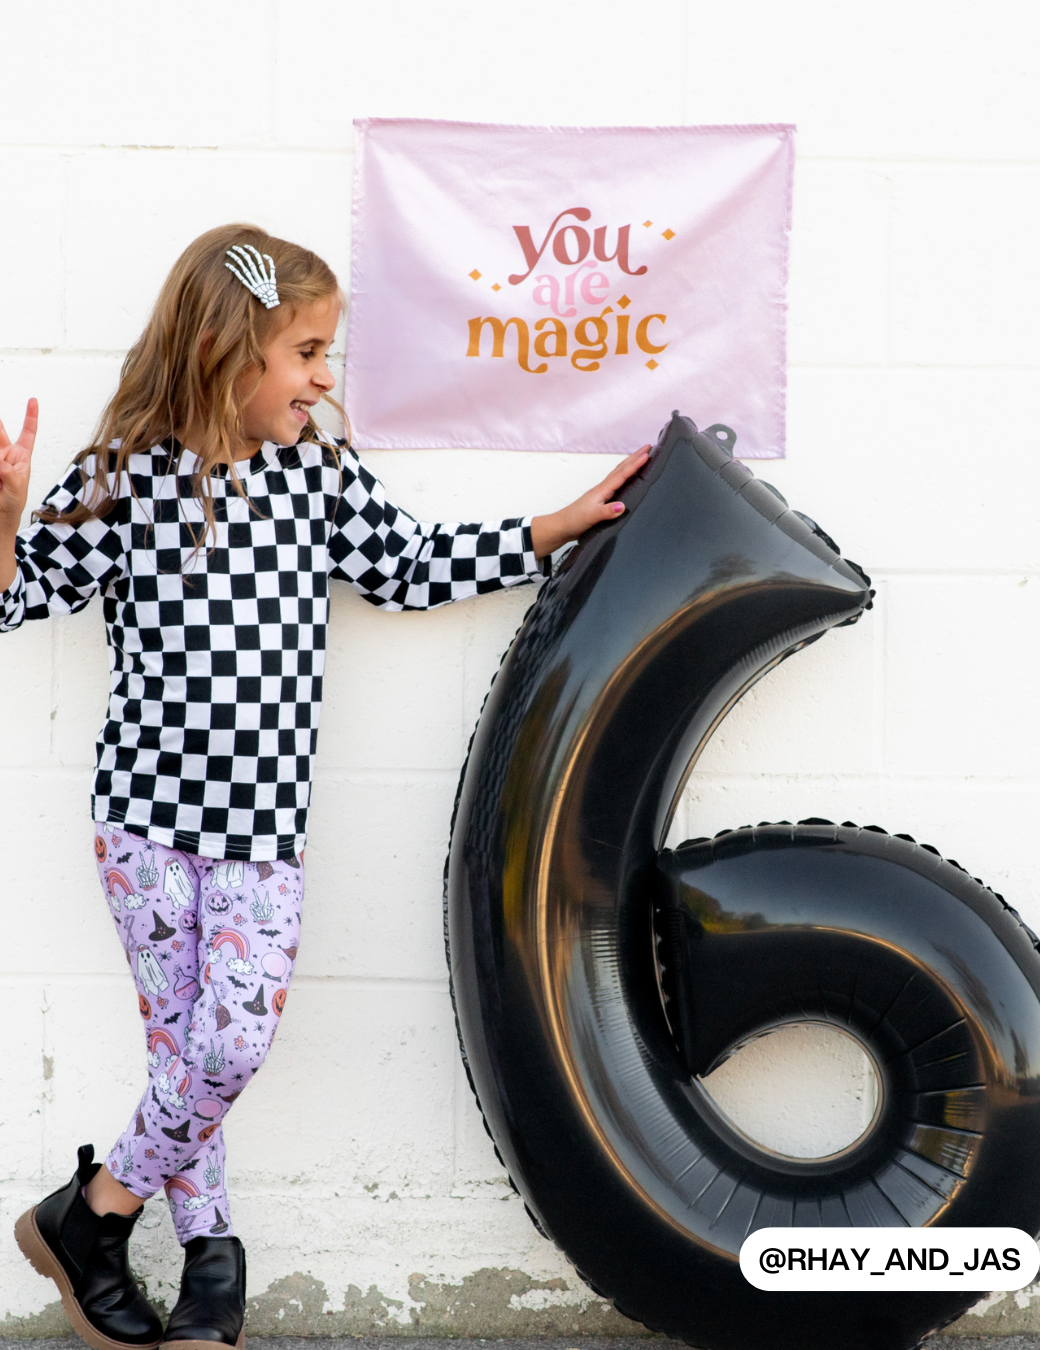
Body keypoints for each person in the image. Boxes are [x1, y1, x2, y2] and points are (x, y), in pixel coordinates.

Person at [0, 223, 648, 1350]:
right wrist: (7, 523)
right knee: (186, 1054)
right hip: (144, 824)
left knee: (228, 1046)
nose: (321, 378)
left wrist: (551, 528)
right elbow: (18, 600)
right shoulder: (120, 478)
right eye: (305, 352)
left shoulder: (318, 473)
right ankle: (212, 1266)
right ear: (226, 348)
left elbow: (408, 568)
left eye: (325, 354)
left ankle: (92, 1214)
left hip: (261, 831)